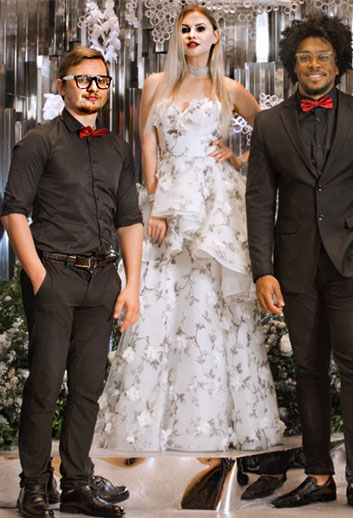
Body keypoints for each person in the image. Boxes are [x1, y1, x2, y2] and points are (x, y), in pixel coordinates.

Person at [94, 5, 284, 453]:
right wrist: (156, 203)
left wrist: (238, 158)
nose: (192, 35)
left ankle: (210, 420)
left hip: (214, 205)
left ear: (215, 36)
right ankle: (154, 422)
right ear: (177, 37)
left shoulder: (228, 87)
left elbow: (272, 133)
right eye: (184, 29)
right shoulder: (156, 83)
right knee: (162, 304)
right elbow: (147, 141)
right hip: (167, 202)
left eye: (200, 28)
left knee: (210, 301)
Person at [245, 13, 353, 511]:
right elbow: (258, 200)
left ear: (338, 63)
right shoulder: (269, 124)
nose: (314, 64)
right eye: (305, 57)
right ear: (292, 65)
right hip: (295, 265)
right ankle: (317, 476)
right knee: (308, 369)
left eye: (323, 56)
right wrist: (263, 269)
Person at [1, 46, 143, 518]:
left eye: (101, 80)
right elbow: (13, 211)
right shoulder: (38, 142)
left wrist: (132, 285)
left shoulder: (117, 147)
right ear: (62, 86)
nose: (93, 88)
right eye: (83, 80)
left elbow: (130, 219)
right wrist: (39, 276)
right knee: (45, 386)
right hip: (55, 275)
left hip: (103, 279)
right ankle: (33, 485)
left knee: (87, 388)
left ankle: (78, 484)